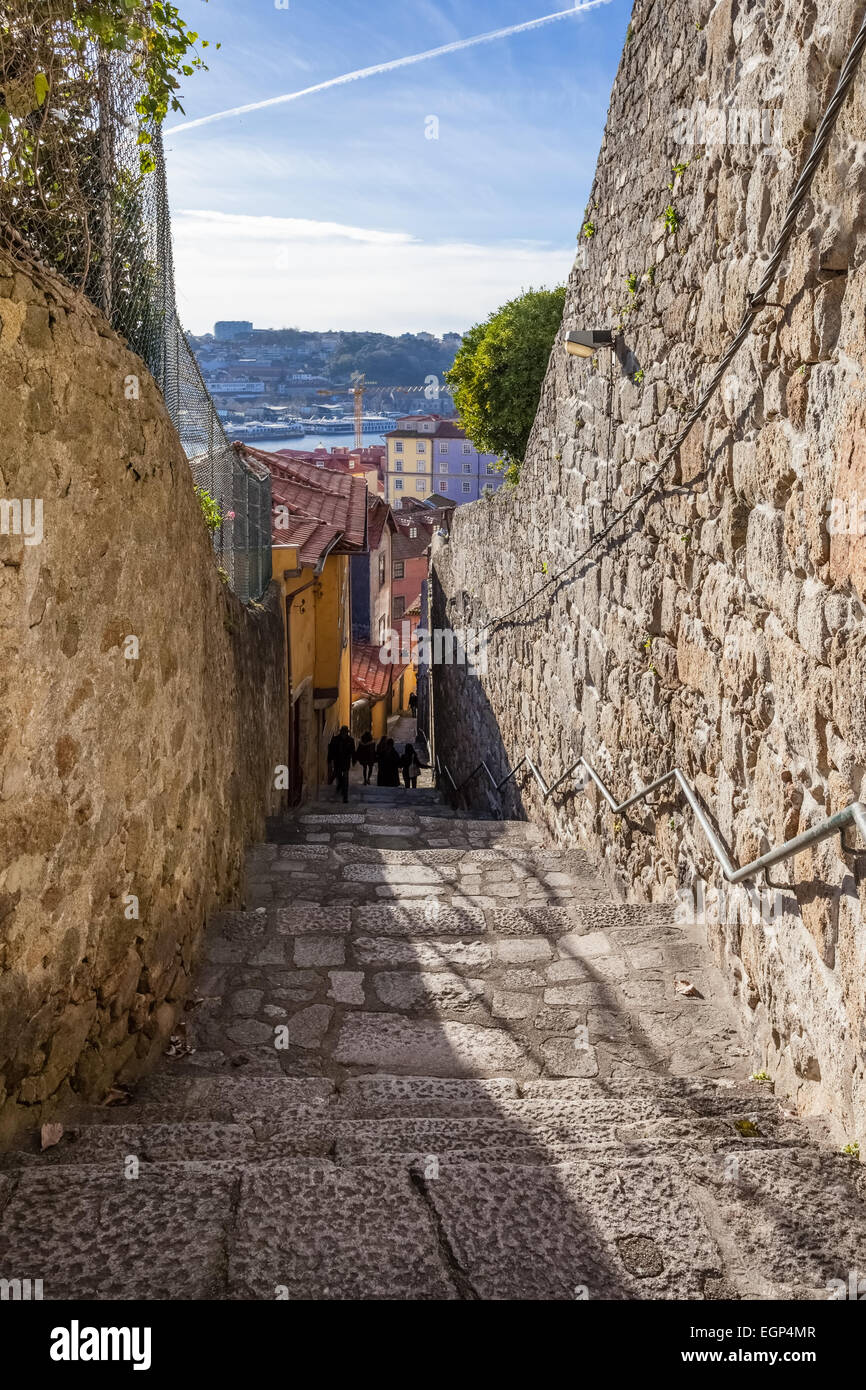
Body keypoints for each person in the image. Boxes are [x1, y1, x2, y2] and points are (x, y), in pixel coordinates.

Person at [327, 725, 356, 803]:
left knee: (345, 778)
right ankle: (340, 786)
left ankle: (345, 797)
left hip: (346, 763)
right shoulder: (335, 739)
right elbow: (331, 750)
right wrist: (329, 760)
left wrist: (353, 760)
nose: (344, 734)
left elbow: (353, 751)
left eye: (345, 732)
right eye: (343, 732)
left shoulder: (350, 740)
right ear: (341, 732)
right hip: (337, 762)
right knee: (339, 777)